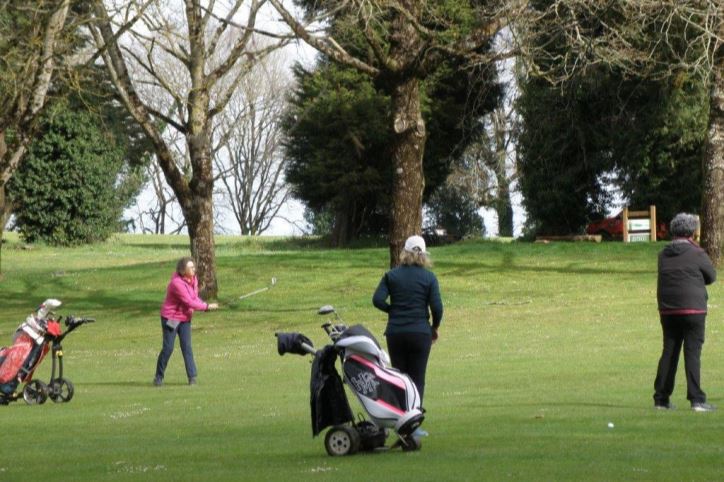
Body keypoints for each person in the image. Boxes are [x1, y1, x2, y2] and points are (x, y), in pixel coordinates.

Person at [653, 213, 717, 411]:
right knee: (692, 353)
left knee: (669, 352)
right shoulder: (697, 253)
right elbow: (711, 276)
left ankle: (661, 399)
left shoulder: (663, 254)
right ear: (692, 232)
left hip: (668, 309)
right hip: (693, 308)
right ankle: (697, 399)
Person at [373, 235, 443, 405]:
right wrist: (434, 327)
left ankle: (400, 418)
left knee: (399, 377)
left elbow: (377, 300)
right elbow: (437, 308)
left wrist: (392, 310)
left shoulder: (391, 275)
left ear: (404, 253)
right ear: (424, 255)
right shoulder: (429, 278)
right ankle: (414, 419)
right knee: (417, 378)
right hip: (420, 333)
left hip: (396, 333)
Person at [154, 257, 218, 386]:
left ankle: (192, 377)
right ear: (183, 270)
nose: (194, 269)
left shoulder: (193, 280)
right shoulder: (176, 283)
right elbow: (188, 301)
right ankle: (158, 377)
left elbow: (194, 298)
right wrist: (206, 307)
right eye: (191, 267)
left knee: (187, 347)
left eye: (194, 267)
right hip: (171, 318)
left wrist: (206, 306)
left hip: (185, 319)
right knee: (168, 348)